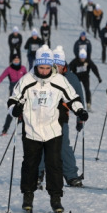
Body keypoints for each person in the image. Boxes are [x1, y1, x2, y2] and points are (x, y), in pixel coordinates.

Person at [8, 45, 88, 213]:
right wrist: (14, 109)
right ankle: (28, 195)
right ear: (36, 65)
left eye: (47, 68)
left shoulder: (59, 80)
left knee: (54, 165)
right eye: (41, 67)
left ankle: (56, 199)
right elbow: (12, 100)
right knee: (30, 165)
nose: (44, 71)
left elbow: (72, 98)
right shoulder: (27, 80)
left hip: (53, 130)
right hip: (31, 130)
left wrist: (79, 110)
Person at [37, 46, 86, 188]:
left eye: (60, 64)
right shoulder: (46, 77)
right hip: (43, 118)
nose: (57, 67)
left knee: (64, 147)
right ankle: (38, 174)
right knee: (41, 146)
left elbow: (78, 98)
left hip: (61, 118)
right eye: (55, 64)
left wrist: (80, 118)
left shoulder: (71, 78)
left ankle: (71, 176)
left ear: (64, 64)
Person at [0, 54, 27, 135]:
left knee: (25, 109)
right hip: (13, 90)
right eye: (15, 61)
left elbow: (28, 77)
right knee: (12, 109)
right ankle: (5, 130)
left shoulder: (23, 68)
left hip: (22, 90)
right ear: (12, 61)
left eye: (18, 60)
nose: (16, 62)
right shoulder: (9, 69)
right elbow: (1, 77)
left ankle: (25, 130)